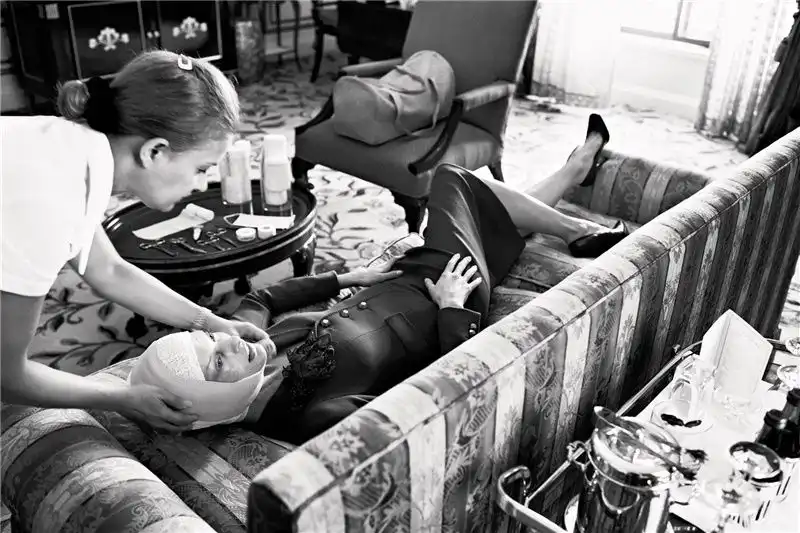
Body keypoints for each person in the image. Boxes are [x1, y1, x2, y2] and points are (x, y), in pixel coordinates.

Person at [130, 115, 628, 443]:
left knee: (495, 215)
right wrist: (453, 309)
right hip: (449, 290)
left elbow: (260, 297)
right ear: (213, 400)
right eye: (217, 360)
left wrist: (347, 276)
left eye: (211, 341)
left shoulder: (251, 345)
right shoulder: (313, 417)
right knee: (453, 177)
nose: (228, 342)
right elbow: (435, 400)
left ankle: (576, 168)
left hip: (403, 275)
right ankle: (580, 230)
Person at [0, 51, 270, 433]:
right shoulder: (47, 201)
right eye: (201, 168)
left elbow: (108, 270)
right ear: (154, 151)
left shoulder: (71, 152)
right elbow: (8, 377)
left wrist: (211, 321)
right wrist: (122, 397)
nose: (200, 185)